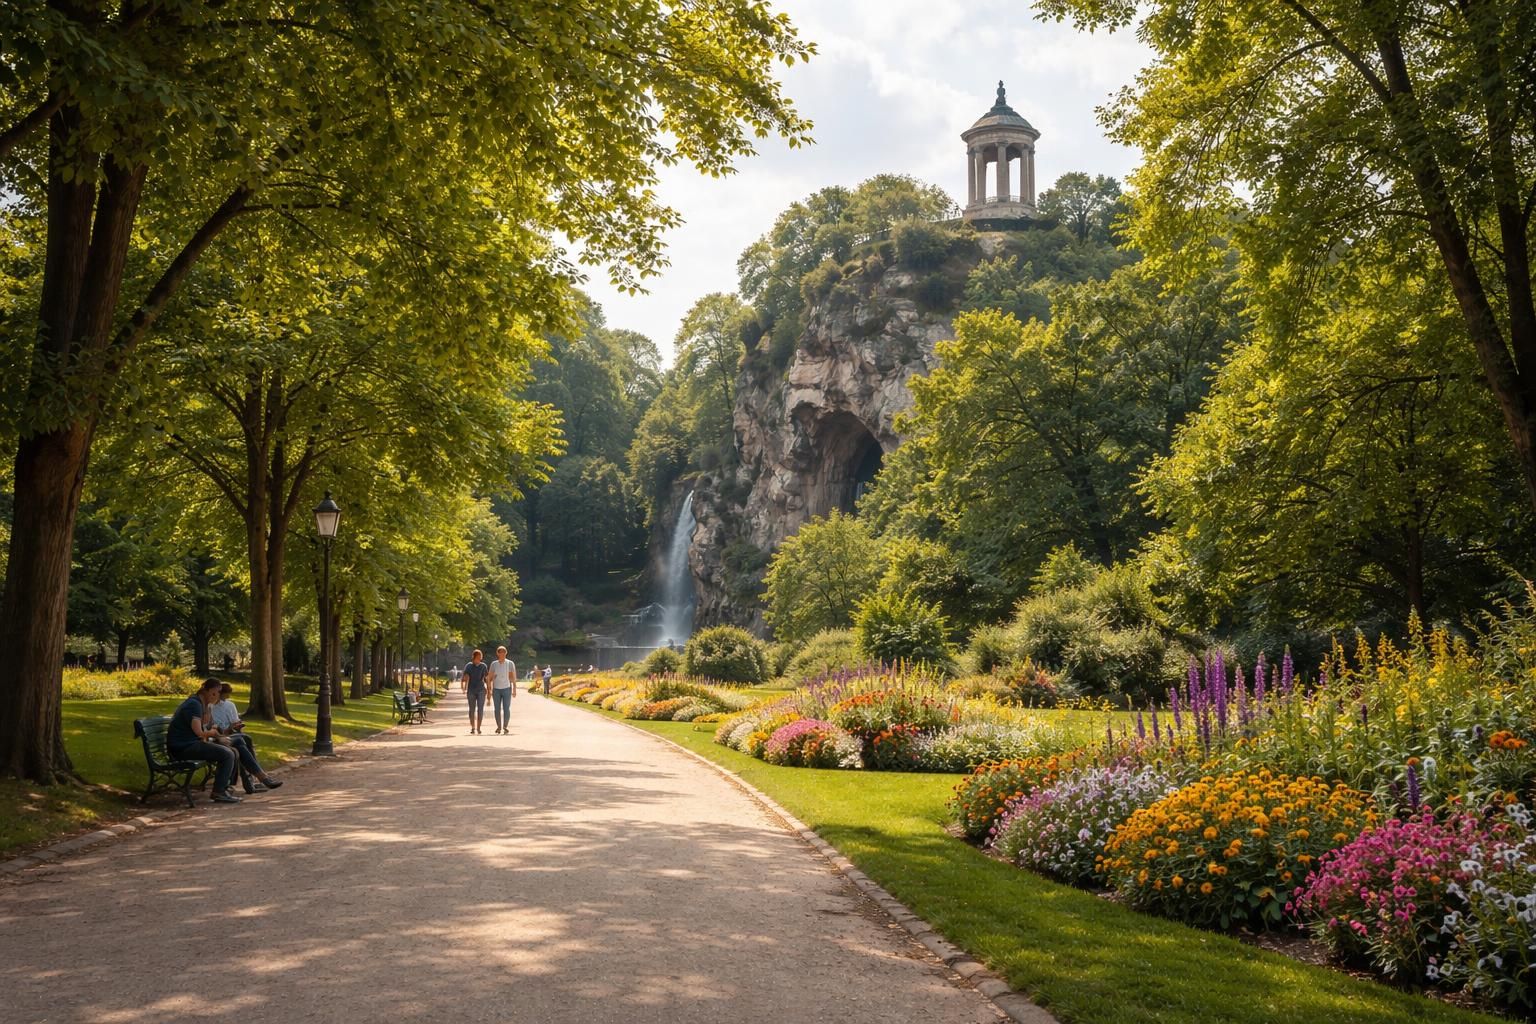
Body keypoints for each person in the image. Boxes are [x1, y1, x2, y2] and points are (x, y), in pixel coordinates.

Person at [167, 678, 243, 804]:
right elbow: (199, 732)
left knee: (232, 751)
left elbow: (206, 725)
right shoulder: (194, 704)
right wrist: (214, 734)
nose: (218, 696)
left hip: (190, 744)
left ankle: (224, 787)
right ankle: (219, 792)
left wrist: (208, 709)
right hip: (183, 748)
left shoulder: (201, 703)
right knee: (227, 753)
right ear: (211, 692)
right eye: (217, 693)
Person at [207, 683, 283, 795]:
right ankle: (257, 779)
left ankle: (254, 780)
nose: (223, 699)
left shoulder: (227, 705)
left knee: (242, 742)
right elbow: (210, 730)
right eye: (220, 695)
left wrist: (234, 728)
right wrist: (226, 730)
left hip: (224, 735)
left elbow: (220, 728)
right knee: (242, 741)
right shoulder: (208, 707)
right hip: (216, 739)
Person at [488, 645, 517, 734]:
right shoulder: (494, 664)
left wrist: (514, 689)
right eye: (500, 653)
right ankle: (499, 726)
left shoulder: (510, 663)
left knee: (506, 708)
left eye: (503, 653)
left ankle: (505, 726)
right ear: (497, 653)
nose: (502, 654)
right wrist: (489, 689)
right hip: (496, 689)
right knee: (497, 709)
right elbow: (489, 677)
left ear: (506, 653)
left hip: (507, 688)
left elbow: (513, 677)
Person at [462, 649, 490, 734]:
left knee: (480, 709)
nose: (479, 659)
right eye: (478, 657)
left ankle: (478, 728)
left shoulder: (483, 666)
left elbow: (486, 679)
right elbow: (465, 677)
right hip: (471, 690)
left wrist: (489, 690)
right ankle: (473, 727)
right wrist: (464, 685)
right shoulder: (469, 666)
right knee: (472, 709)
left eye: (480, 657)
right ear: (474, 657)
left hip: (481, 690)